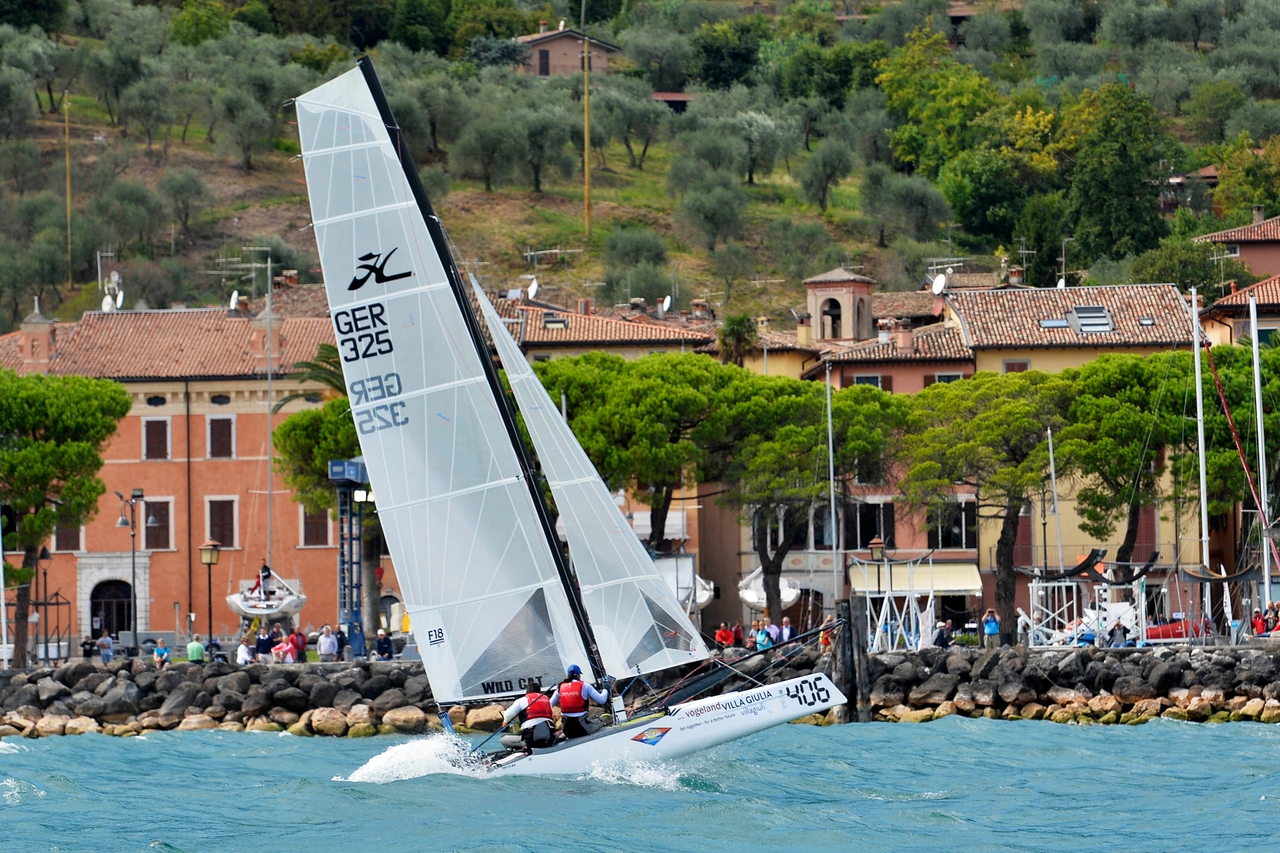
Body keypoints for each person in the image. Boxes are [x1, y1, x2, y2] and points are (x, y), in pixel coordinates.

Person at [553, 664, 611, 739]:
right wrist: (606, 689)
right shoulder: (585, 686)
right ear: (578, 675)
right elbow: (602, 700)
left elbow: (549, 704)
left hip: (567, 730)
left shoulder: (560, 687)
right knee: (601, 721)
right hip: (582, 728)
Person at [501, 679, 556, 749]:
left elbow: (508, 714)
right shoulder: (547, 700)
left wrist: (505, 721)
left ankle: (519, 753)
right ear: (540, 692)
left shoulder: (522, 700)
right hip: (549, 739)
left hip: (531, 740)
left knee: (503, 739)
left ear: (527, 692)